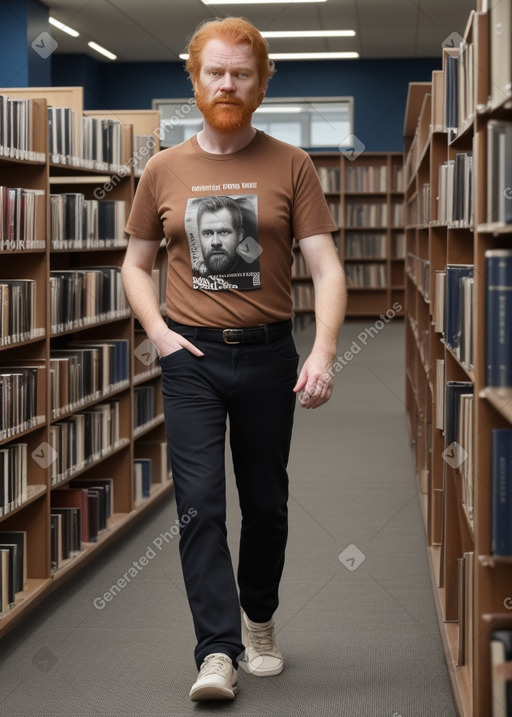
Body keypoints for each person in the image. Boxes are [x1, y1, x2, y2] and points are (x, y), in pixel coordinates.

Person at [121, 16, 347, 702]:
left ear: (262, 81)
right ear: (194, 79)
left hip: (269, 355)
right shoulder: (163, 169)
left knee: (267, 503)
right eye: (215, 71)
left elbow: (327, 267)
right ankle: (216, 651)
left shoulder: (292, 164)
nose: (227, 83)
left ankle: (260, 619)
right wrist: (158, 331)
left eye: (241, 73)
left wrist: (326, 350)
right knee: (199, 505)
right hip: (189, 357)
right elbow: (135, 264)